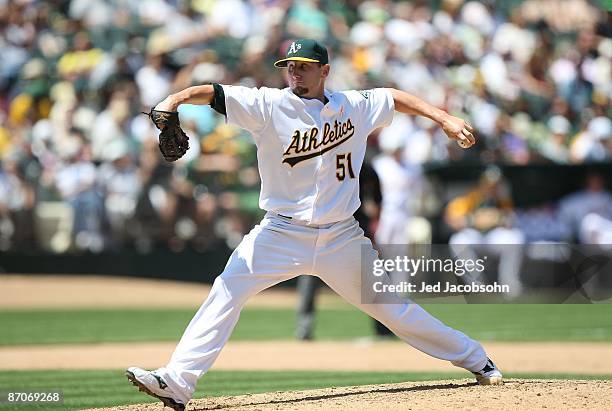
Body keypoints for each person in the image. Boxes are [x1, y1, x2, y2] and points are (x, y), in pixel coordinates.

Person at [126, 39, 502, 411]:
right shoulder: (268, 105)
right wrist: (172, 101)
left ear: (324, 71)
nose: (295, 72)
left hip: (342, 236)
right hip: (281, 233)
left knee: (393, 308)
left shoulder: (352, 106)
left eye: (304, 65)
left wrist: (445, 119)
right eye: (290, 65)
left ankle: (476, 358)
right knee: (227, 289)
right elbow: (212, 92)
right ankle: (177, 381)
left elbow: (393, 96)